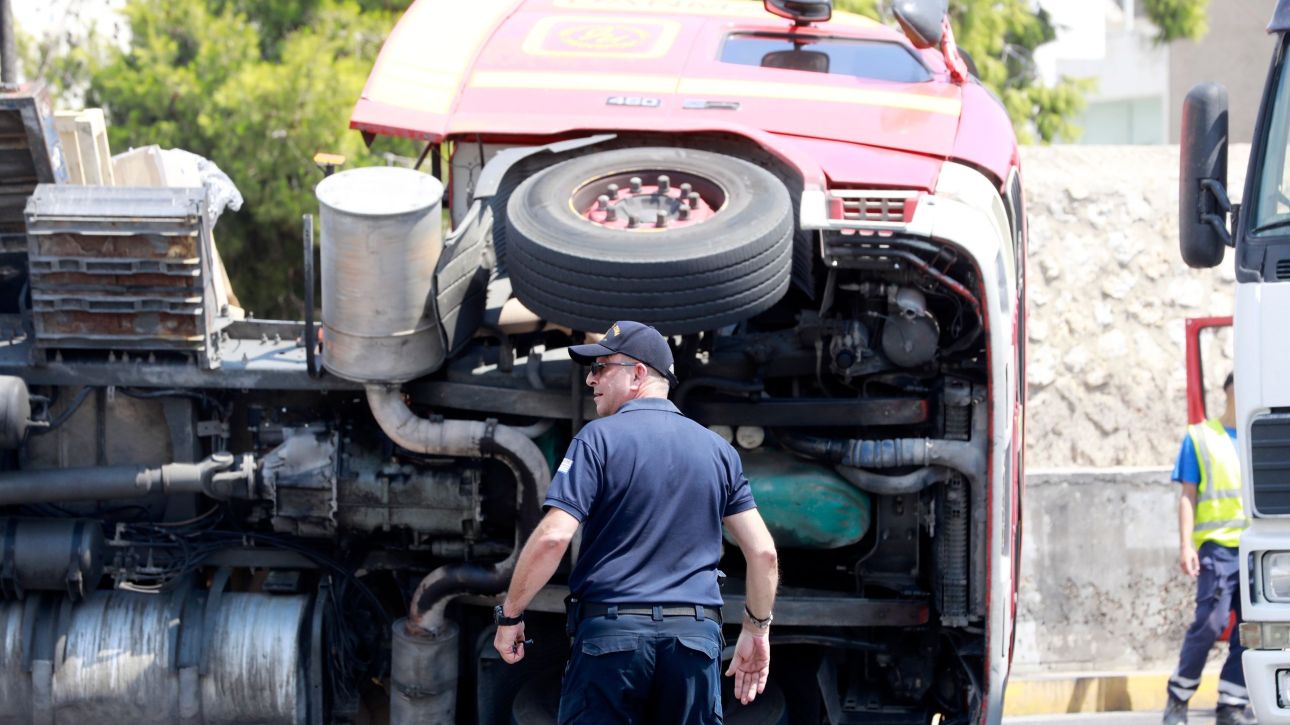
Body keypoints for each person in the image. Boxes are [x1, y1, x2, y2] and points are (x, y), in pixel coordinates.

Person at [492, 320, 779, 723]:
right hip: (693, 642)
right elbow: (763, 553)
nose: (591, 379)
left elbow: (554, 538)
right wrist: (757, 629)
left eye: (601, 368)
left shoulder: (597, 440)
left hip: (613, 639)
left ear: (638, 373)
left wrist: (510, 614)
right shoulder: (720, 451)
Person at [1163, 373, 1254, 725]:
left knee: (1252, 629)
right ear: (1229, 390)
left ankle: (1231, 705)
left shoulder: (1260, 434)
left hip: (1255, 551)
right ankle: (1178, 697)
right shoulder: (1200, 437)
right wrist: (1186, 544)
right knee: (1209, 623)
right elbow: (1188, 495)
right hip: (1217, 548)